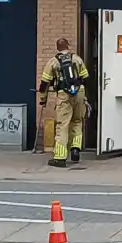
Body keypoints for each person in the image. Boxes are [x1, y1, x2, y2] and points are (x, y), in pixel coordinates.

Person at [39, 38, 90, 167]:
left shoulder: (53, 62)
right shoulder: (77, 59)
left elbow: (44, 84)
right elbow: (86, 77)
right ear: (68, 46)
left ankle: (60, 158)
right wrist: (84, 96)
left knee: (62, 125)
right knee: (77, 121)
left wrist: (43, 99)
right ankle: (75, 148)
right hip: (79, 93)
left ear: (57, 48)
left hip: (63, 95)